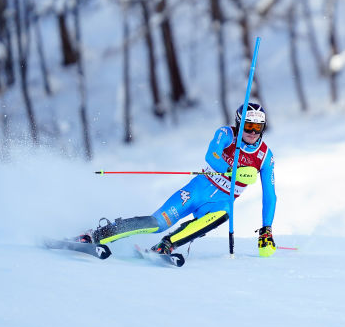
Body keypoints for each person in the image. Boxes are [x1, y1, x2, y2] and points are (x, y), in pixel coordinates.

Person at [85, 102, 277, 257]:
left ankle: (167, 245)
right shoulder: (226, 134)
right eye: (249, 126)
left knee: (223, 214)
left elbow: (270, 195)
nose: (253, 132)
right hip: (196, 191)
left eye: (258, 128)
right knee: (158, 223)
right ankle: (98, 234)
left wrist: (266, 229)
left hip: (220, 203)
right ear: (239, 123)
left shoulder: (265, 156)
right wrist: (231, 170)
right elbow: (212, 156)